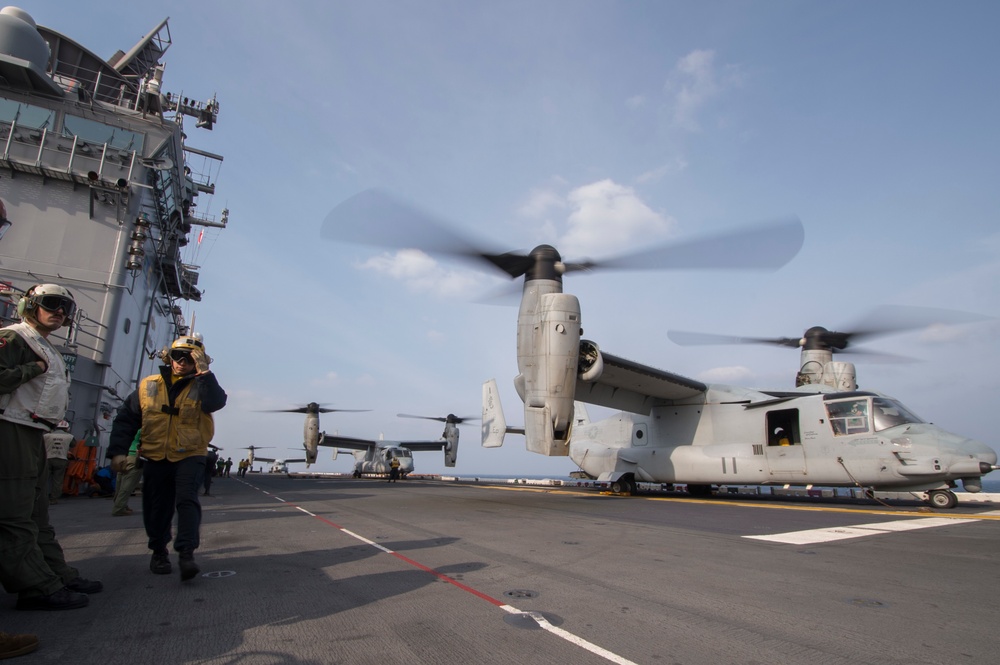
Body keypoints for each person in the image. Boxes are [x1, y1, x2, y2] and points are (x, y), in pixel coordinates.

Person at [0, 283, 102, 610]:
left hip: (33, 433)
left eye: (66, 308)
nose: (59, 312)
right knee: (14, 515)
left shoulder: (44, 345)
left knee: (37, 512)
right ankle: (36, 587)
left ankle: (55, 573)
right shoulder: (16, 337)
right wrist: (35, 367)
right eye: (52, 303)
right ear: (31, 304)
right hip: (11, 427)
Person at [108, 335, 226, 582]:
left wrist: (204, 372)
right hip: (155, 454)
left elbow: (216, 402)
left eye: (190, 358)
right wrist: (118, 451)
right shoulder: (147, 386)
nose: (182, 362)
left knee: (186, 500)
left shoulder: (203, 386)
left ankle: (186, 553)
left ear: (199, 361)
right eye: (177, 357)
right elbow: (126, 420)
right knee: (156, 506)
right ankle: (159, 551)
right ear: (168, 358)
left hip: (190, 453)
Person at [112, 429, 142, 516]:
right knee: (128, 484)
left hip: (122, 455)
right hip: (134, 456)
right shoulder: (141, 426)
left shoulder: (126, 426)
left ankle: (121, 505)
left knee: (120, 482)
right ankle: (119, 508)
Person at [43, 420, 74, 504]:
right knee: (57, 480)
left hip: (48, 459)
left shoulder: (46, 436)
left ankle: (40, 497)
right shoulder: (70, 437)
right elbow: (73, 445)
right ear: (67, 428)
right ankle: (53, 499)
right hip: (61, 459)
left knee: (43, 479)